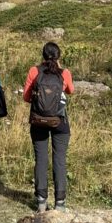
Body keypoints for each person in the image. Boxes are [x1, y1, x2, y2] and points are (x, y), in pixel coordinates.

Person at [23, 42, 74, 212]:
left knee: (41, 159)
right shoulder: (64, 73)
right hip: (59, 121)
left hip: (38, 121)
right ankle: (60, 203)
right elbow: (70, 91)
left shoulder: (34, 71)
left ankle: (41, 201)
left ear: (43, 55)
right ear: (58, 56)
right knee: (59, 159)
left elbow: (26, 97)